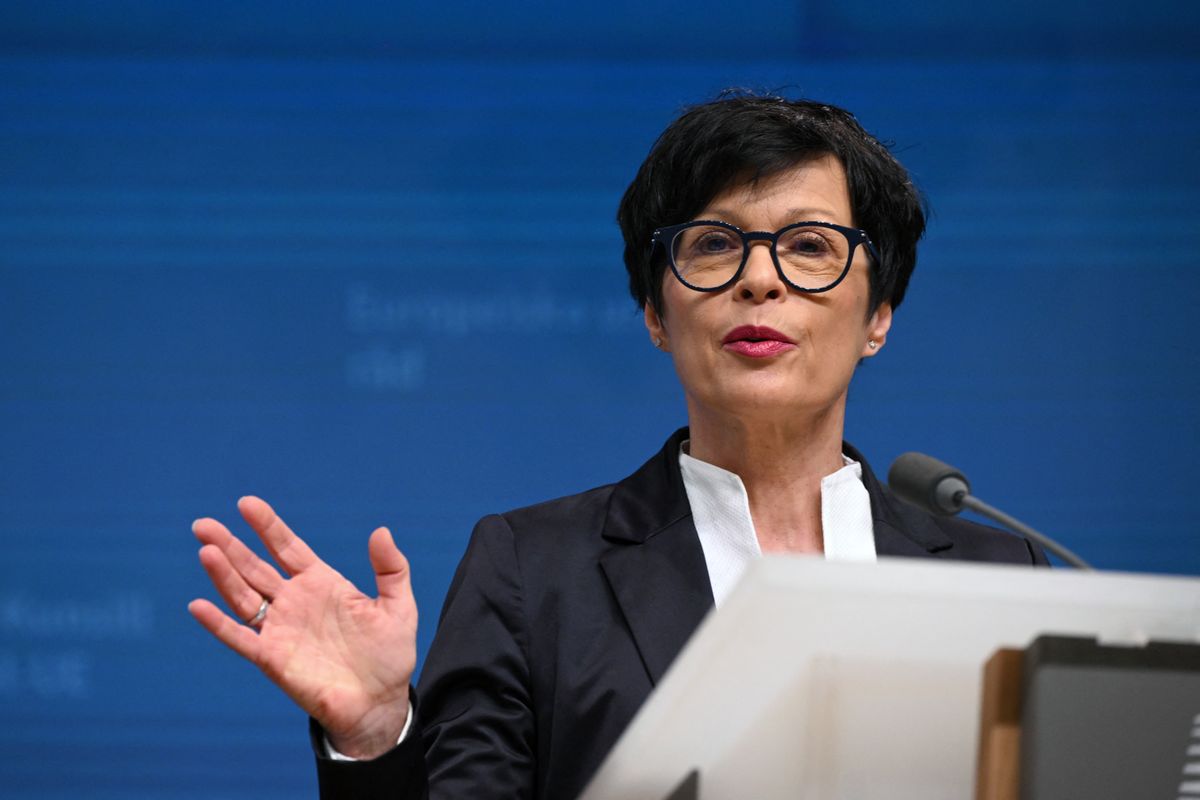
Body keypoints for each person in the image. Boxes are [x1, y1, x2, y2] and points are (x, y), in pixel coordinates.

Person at [189, 94, 1048, 799]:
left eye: (810, 246)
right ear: (654, 314)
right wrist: (379, 737)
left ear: (879, 318)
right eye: (713, 245)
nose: (760, 278)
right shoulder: (532, 573)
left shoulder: (1004, 578)